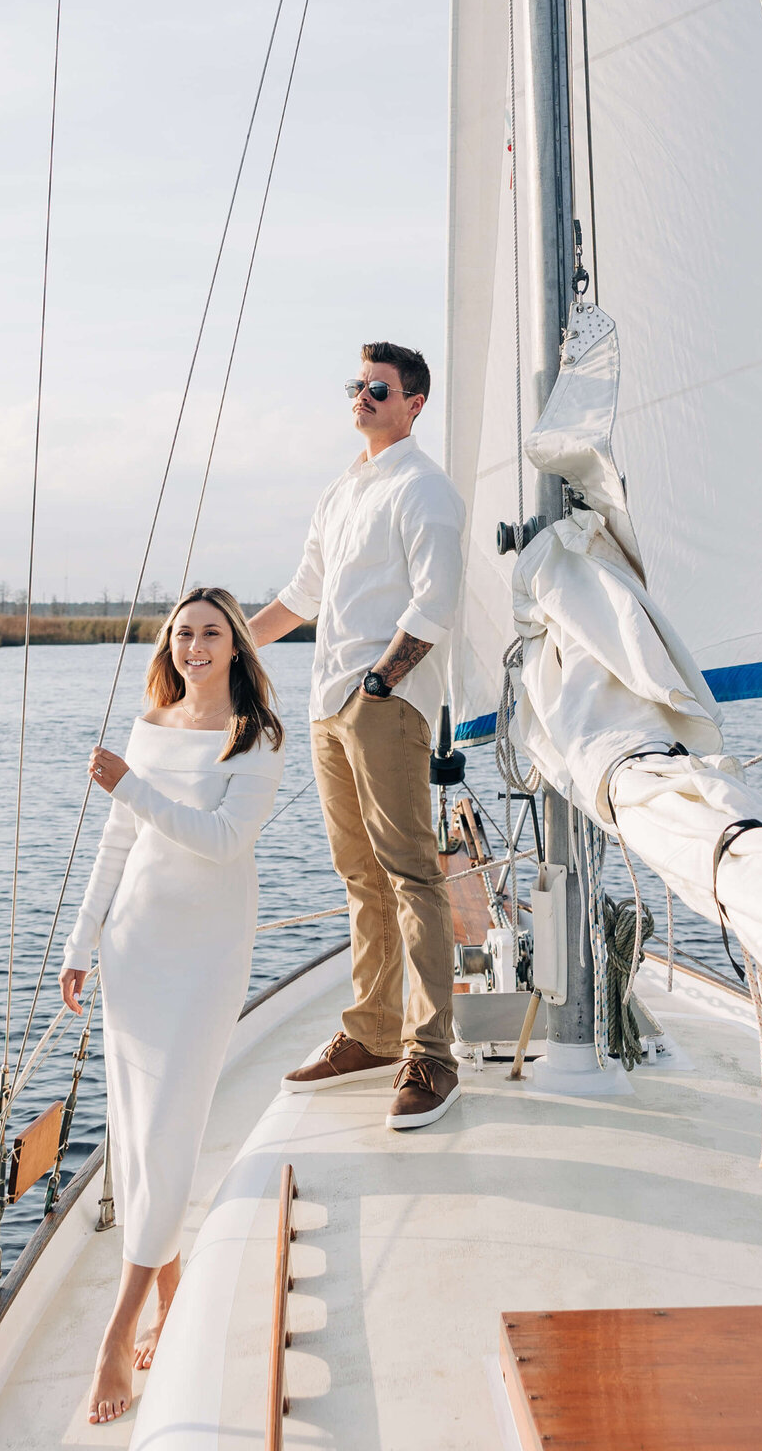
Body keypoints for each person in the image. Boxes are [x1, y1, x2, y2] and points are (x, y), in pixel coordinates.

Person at [60, 586, 285, 1427]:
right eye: (183, 633)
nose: (195, 645)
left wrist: (132, 787)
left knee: (169, 1130)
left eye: (211, 634)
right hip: (135, 946)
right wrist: (81, 944)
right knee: (132, 1128)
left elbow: (225, 843)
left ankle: (115, 1334)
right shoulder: (150, 724)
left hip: (206, 956)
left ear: (235, 647)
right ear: (170, 643)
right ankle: (170, 1292)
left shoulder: (257, 736)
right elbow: (118, 841)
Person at [248, 339, 466, 1132]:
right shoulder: (343, 491)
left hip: (383, 702)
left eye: (380, 387)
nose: (364, 396)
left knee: (410, 873)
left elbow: (435, 603)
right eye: (358, 385)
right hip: (326, 705)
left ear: (414, 403)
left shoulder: (425, 489)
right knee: (359, 877)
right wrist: (226, 649)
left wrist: (379, 684)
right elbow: (299, 596)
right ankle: (374, 1033)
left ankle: (433, 1055)